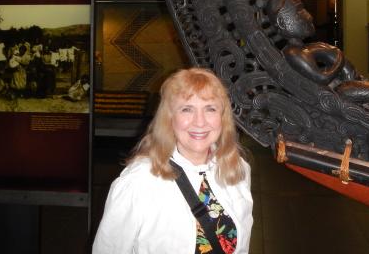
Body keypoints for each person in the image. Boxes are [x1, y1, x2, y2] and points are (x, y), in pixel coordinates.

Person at [93, 68, 253, 254]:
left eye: (210, 108)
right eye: (187, 109)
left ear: (222, 117)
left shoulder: (237, 169)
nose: (200, 122)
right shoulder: (138, 182)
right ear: (169, 118)